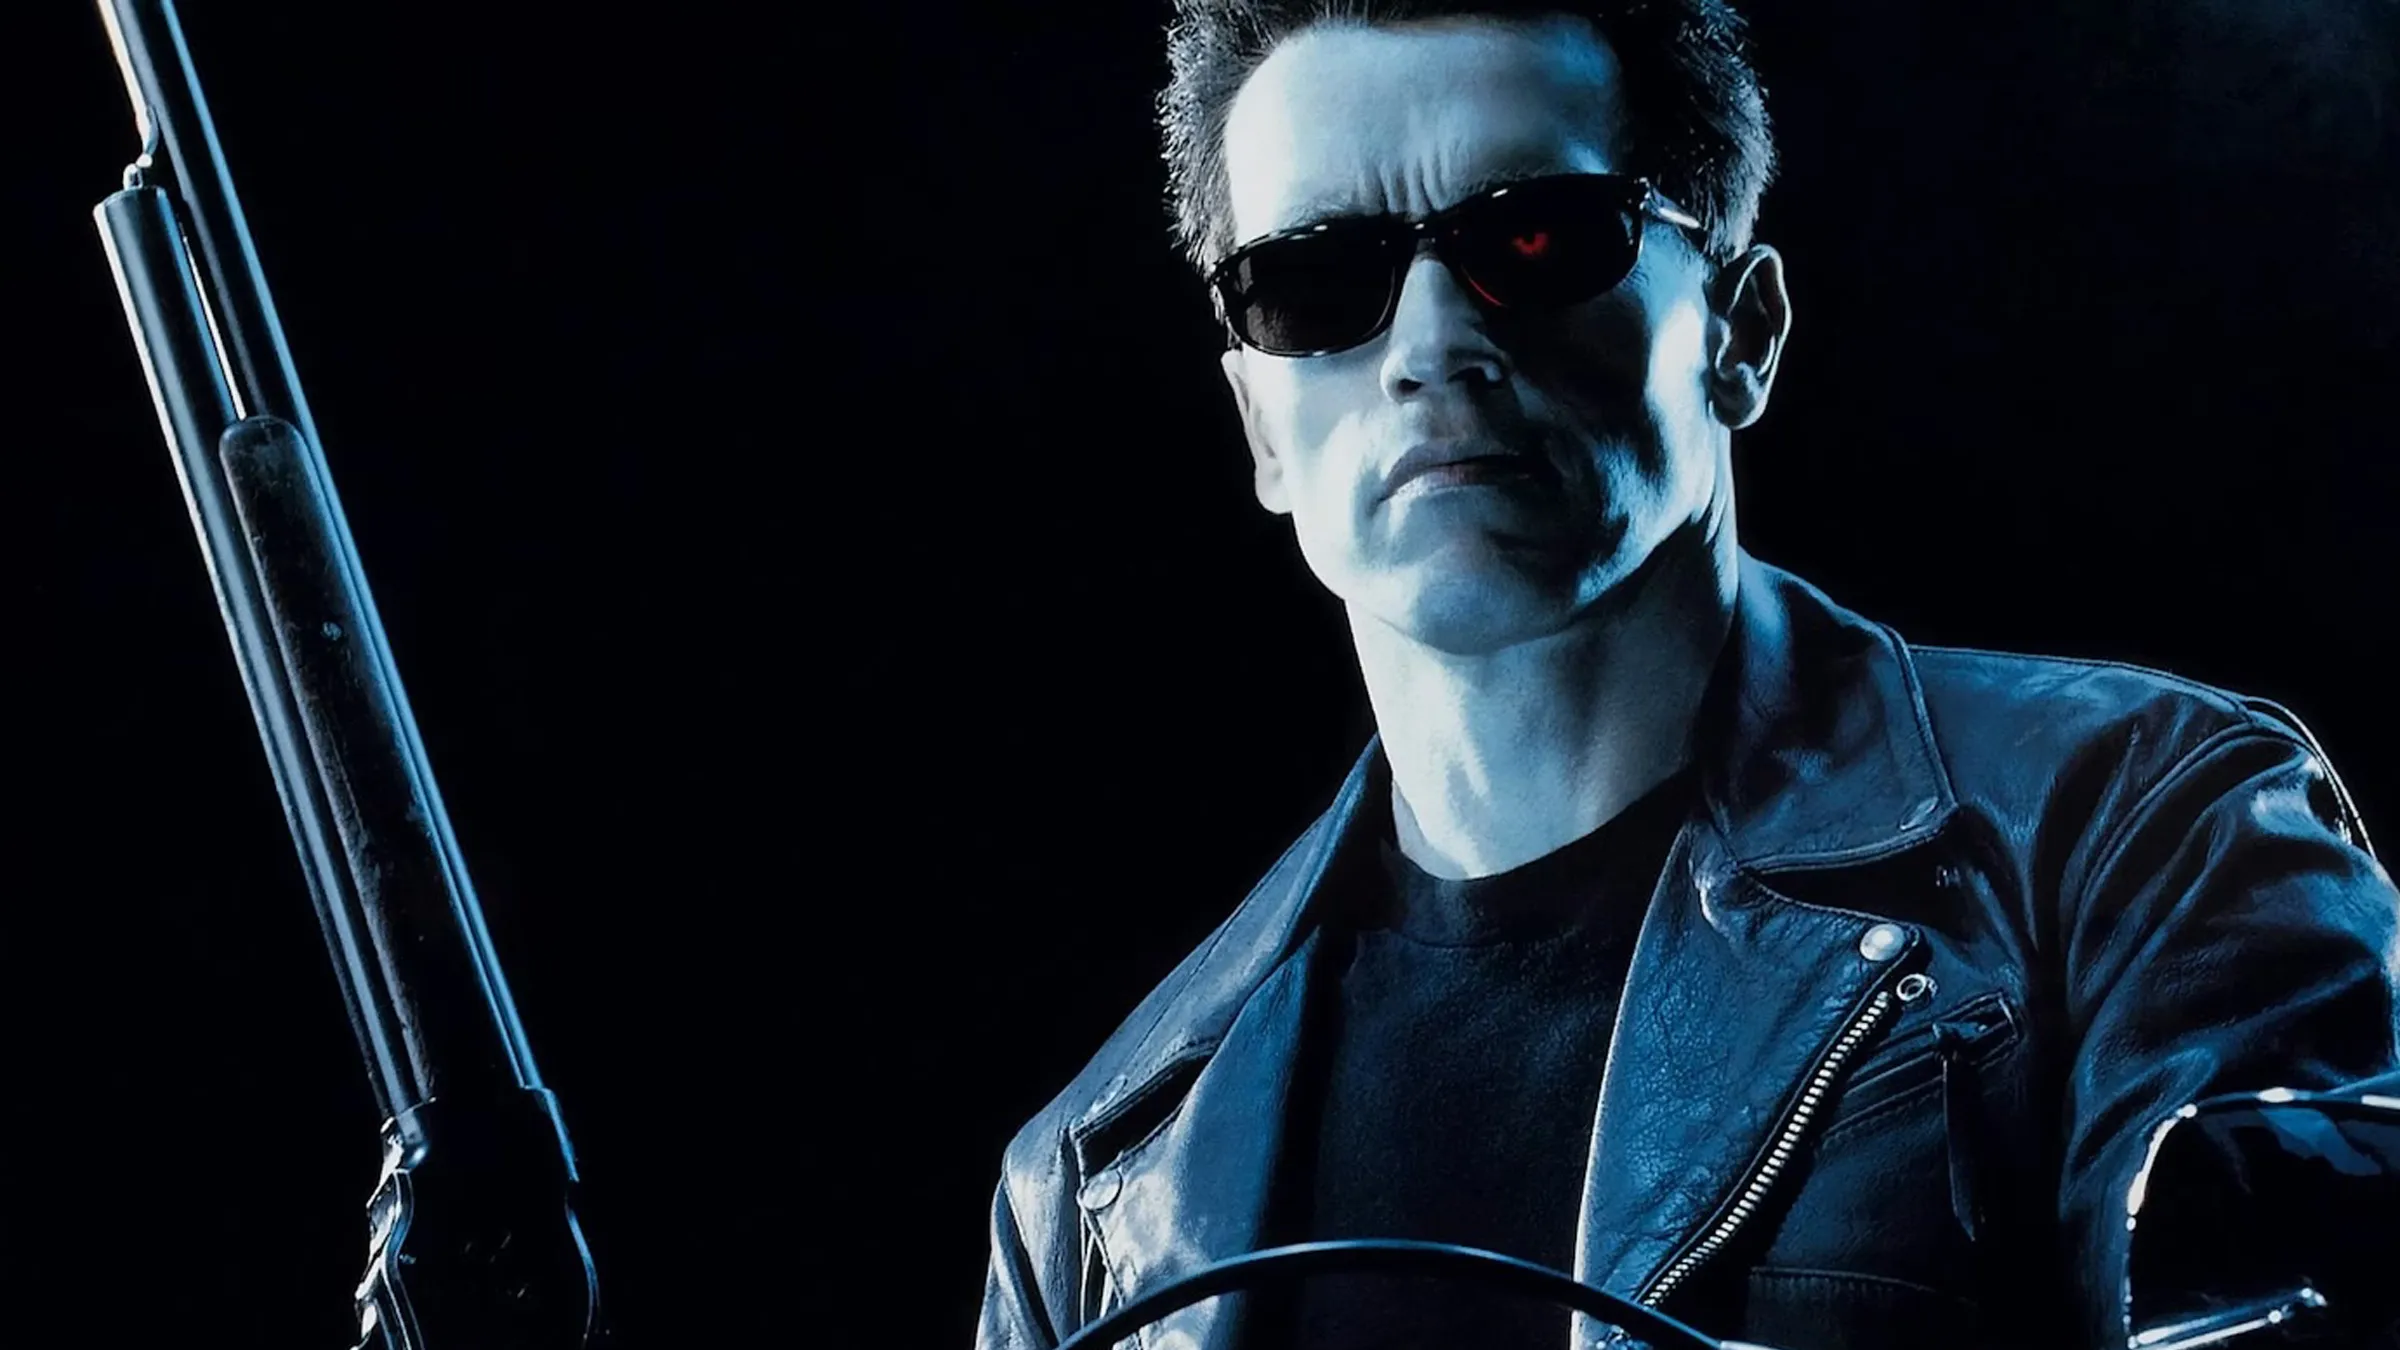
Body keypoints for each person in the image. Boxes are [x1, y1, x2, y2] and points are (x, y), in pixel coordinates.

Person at [973, 4, 2400, 1348]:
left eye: (1532, 237)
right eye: (1314, 281)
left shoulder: (2138, 837)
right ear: (1259, 428)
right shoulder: (1101, 1182)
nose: (1433, 346)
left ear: (1741, 330)